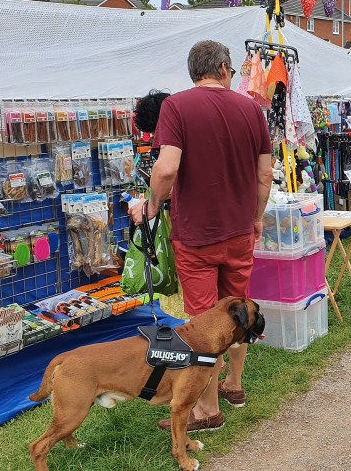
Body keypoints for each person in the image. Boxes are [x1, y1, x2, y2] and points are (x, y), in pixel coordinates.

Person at [131, 40, 273, 431]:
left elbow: (165, 170)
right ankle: (235, 385)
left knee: (203, 323)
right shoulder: (251, 109)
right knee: (240, 312)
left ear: (194, 72)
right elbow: (265, 175)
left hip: (197, 236)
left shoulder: (176, 106)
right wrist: (256, 218)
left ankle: (207, 410)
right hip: (240, 231)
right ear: (226, 68)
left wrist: (153, 205)